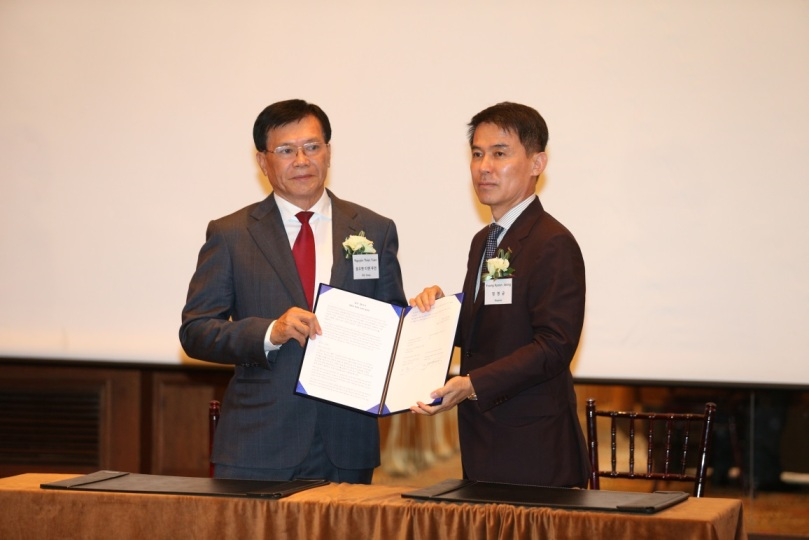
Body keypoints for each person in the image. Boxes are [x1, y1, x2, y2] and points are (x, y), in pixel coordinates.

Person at [180, 99, 406, 484]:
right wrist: (271, 332)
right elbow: (196, 331)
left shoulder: (374, 229)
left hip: (346, 443)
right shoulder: (231, 234)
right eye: (286, 150)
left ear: (328, 152)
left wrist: (423, 317)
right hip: (259, 442)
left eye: (312, 147)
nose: (302, 160)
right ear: (262, 161)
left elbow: (392, 325)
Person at [409, 102, 590, 487]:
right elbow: (488, 326)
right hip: (484, 439)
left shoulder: (552, 242)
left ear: (537, 163)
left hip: (533, 448)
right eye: (477, 154)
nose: (484, 167)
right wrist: (440, 313)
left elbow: (554, 345)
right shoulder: (485, 240)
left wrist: (473, 383)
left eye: (499, 153)